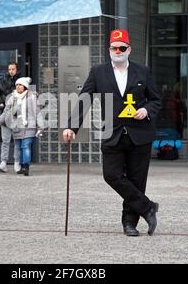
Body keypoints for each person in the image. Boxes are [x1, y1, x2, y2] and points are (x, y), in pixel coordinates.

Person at [62, 29, 162, 237]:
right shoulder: (99, 72)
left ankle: (129, 224)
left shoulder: (142, 71)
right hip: (111, 132)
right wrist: (72, 126)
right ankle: (147, 207)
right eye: (114, 48)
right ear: (109, 50)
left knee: (136, 180)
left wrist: (146, 110)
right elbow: (85, 99)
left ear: (129, 49)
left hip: (139, 134)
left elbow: (156, 100)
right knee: (111, 175)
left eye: (122, 48)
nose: (118, 51)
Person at [0, 77, 44, 176]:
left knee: (25, 146)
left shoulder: (32, 97)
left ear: (25, 86)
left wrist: (40, 127)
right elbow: (6, 112)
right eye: (16, 85)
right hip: (17, 127)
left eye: (20, 85)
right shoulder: (12, 98)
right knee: (20, 147)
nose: (18, 86)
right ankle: (20, 165)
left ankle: (26, 166)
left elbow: (37, 113)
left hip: (29, 126)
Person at [0, 62, 22, 173]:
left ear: (17, 69)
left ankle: (16, 163)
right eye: (9, 69)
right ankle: (3, 162)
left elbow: (28, 93)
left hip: (17, 116)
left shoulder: (21, 81)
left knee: (17, 141)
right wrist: (0, 103)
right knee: (5, 140)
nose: (11, 71)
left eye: (13, 69)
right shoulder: (3, 80)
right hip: (5, 114)